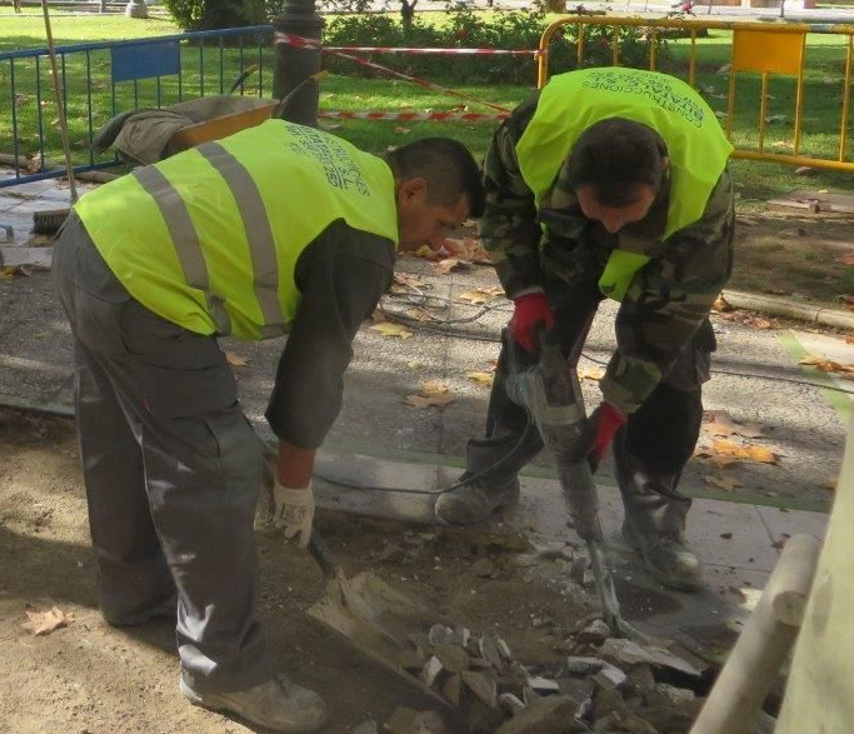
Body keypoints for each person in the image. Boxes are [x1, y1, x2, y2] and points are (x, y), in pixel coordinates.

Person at [54, 121, 484, 732]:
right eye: (444, 224)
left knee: (120, 438)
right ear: (412, 192)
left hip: (86, 239)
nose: (441, 245)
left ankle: (133, 596)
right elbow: (317, 366)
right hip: (141, 287)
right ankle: (225, 671)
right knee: (216, 466)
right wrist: (294, 481)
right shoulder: (365, 235)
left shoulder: (328, 151)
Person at [434, 66, 735, 593]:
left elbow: (672, 313)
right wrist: (525, 291)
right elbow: (504, 207)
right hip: (568, 247)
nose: (613, 228)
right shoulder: (533, 131)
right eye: (600, 211)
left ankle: (652, 514)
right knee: (531, 350)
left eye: (627, 214)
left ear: (662, 172)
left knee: (676, 366)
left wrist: (616, 408)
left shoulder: (703, 189)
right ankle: (493, 475)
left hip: (668, 256)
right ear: (571, 169)